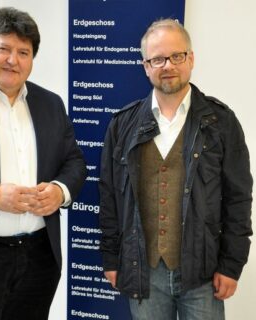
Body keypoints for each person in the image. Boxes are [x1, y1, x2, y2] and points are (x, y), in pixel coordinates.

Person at [99, 18, 253, 320]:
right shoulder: (122, 125)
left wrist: (231, 265)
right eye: (157, 59)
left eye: (176, 56)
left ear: (191, 59)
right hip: (143, 271)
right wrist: (111, 259)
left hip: (204, 273)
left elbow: (238, 199)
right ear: (145, 66)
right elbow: (109, 198)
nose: (167, 65)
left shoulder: (220, 123)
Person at [0, 7, 86, 320]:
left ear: (32, 59)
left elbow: (74, 161)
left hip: (39, 258)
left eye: (23, 52)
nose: (13, 60)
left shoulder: (50, 103)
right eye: (4, 49)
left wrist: (59, 191)